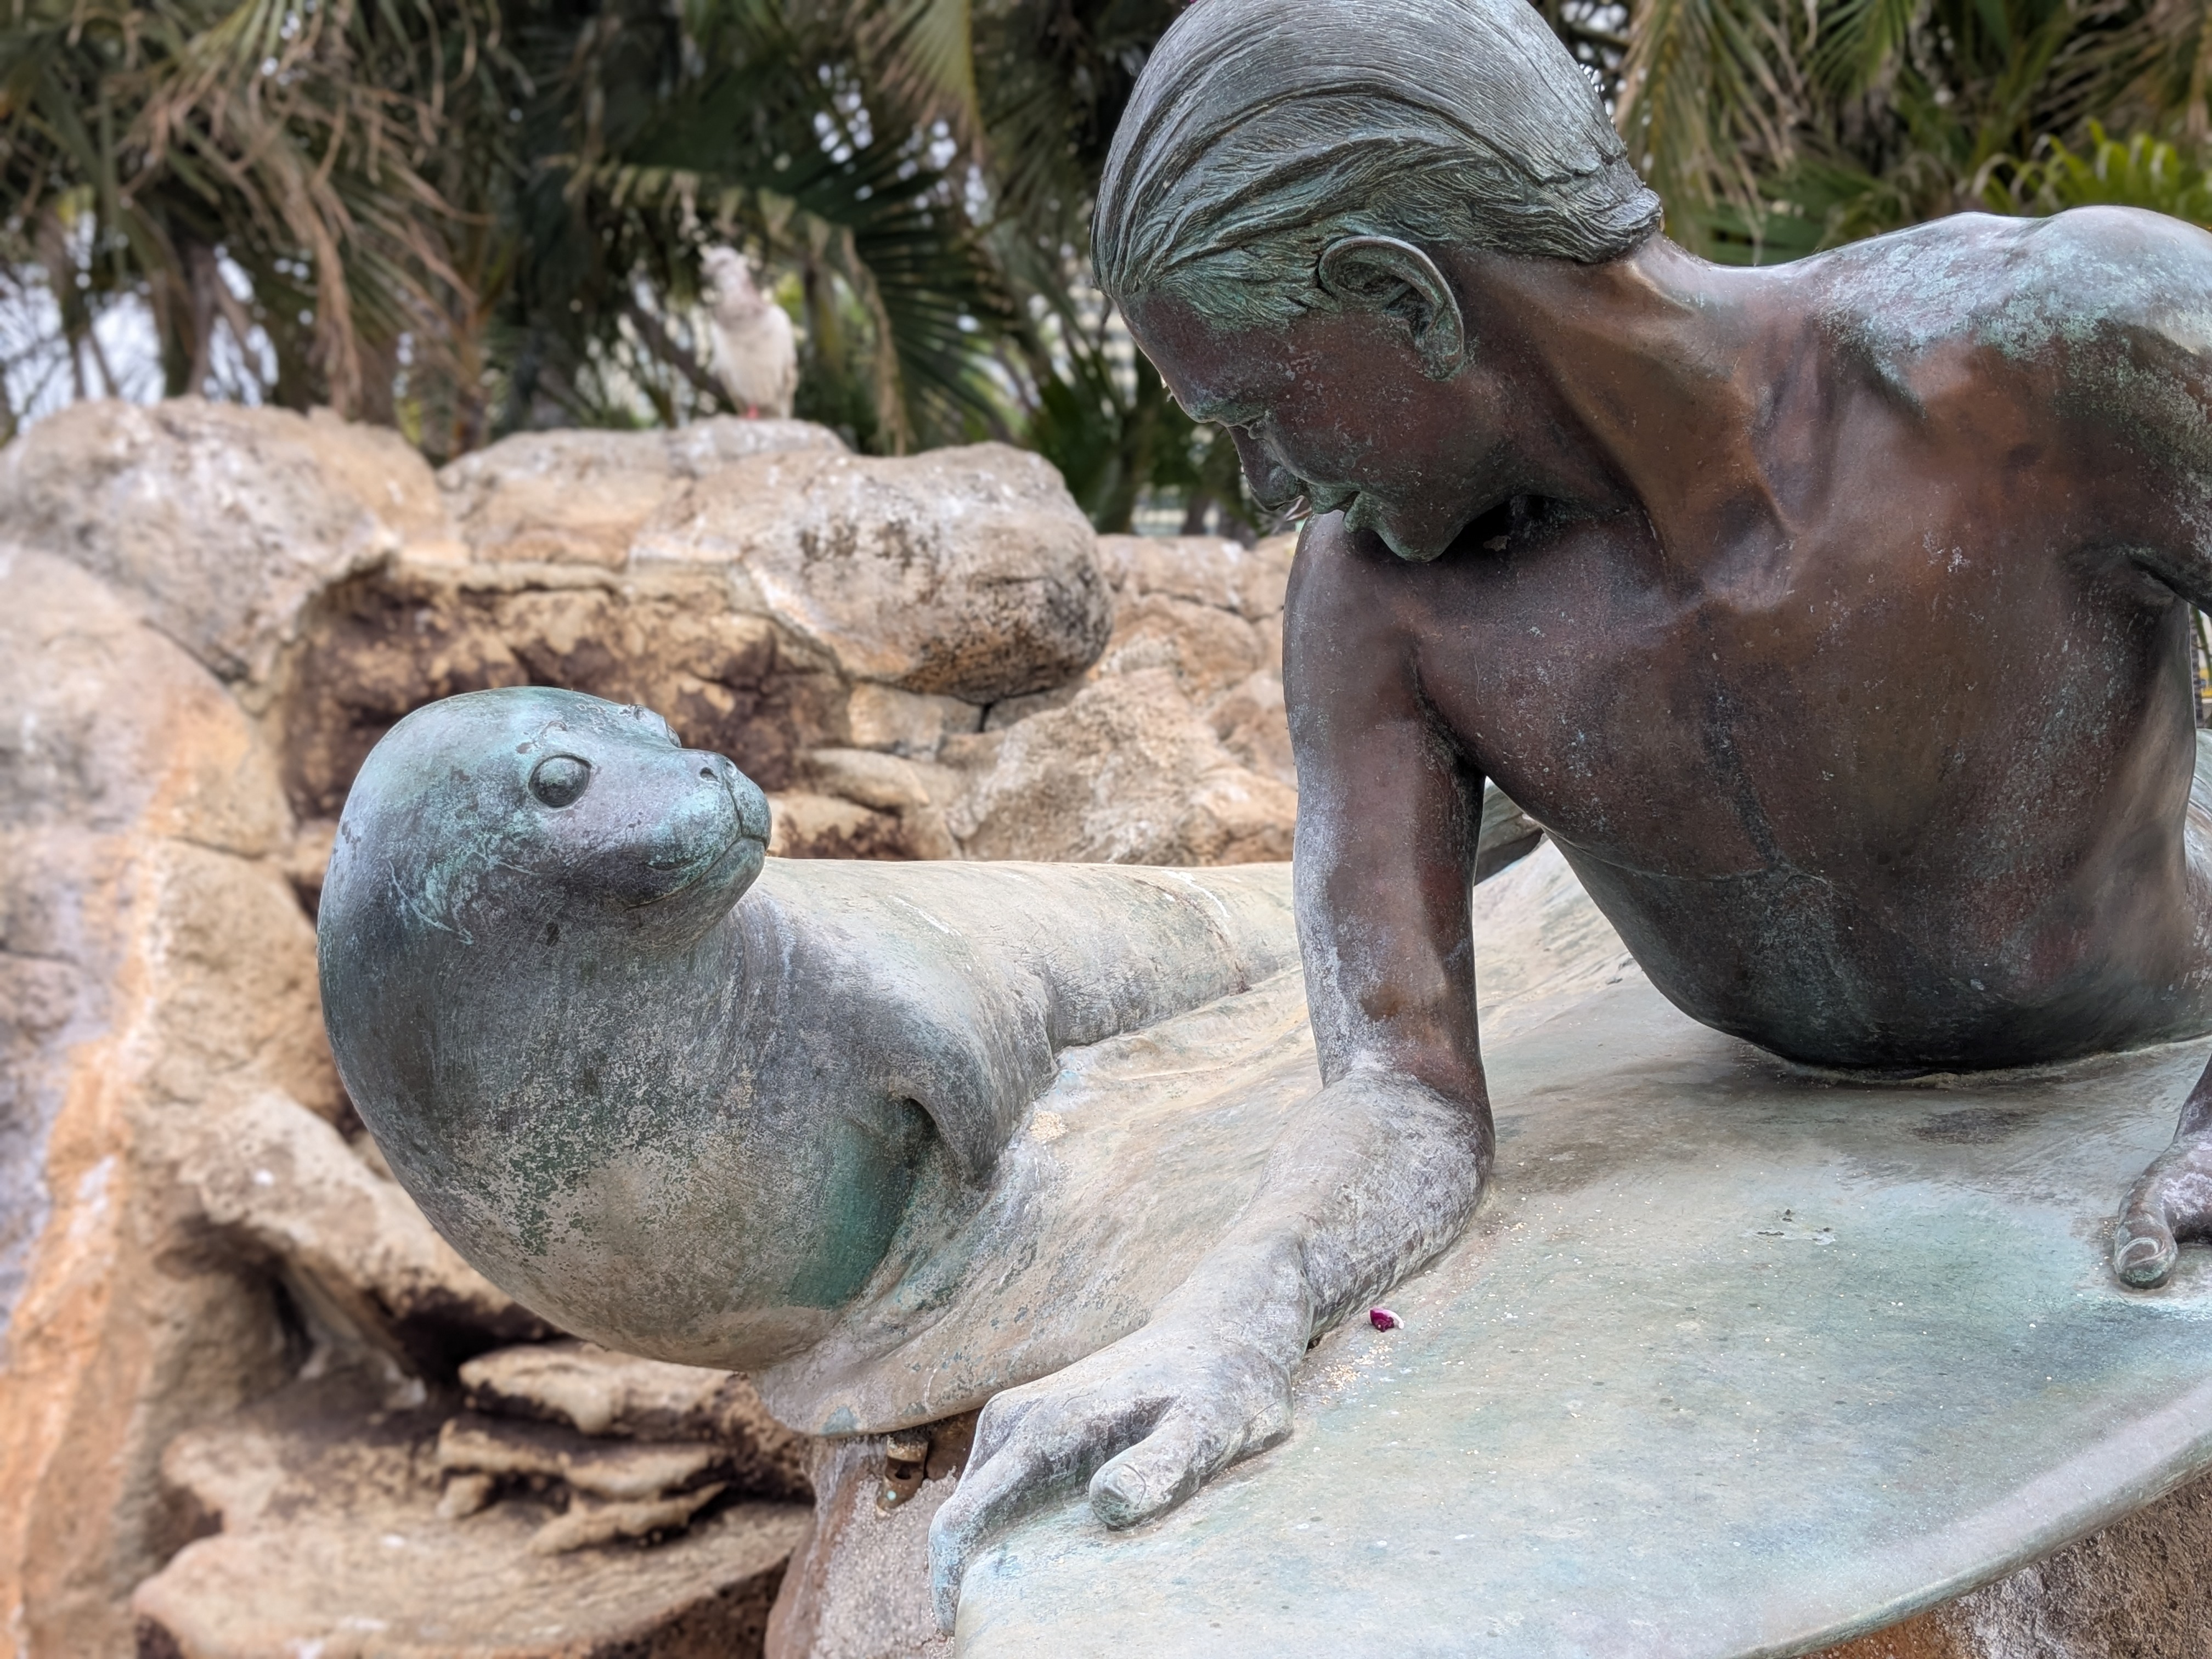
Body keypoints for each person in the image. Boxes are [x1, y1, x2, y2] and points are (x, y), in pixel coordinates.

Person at [928, 0, 2212, 1625]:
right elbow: (1398, 1090)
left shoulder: (2039, 358)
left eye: (1257, 404)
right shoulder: (1381, 607)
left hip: (2138, 1037)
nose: (1266, 480)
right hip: (1770, 1110)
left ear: (1401, 297)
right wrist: (1235, 1312)